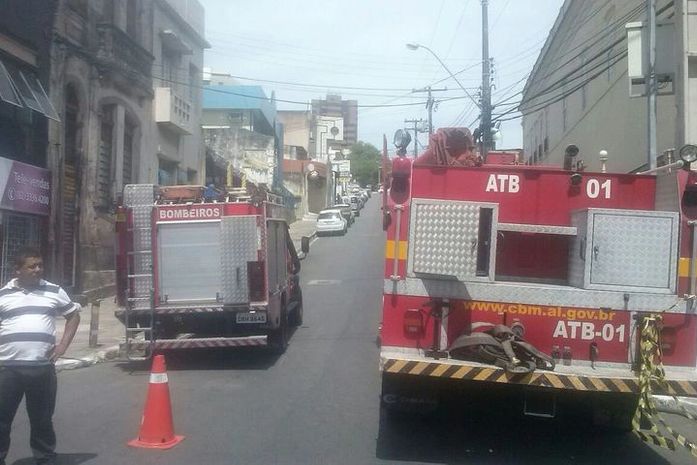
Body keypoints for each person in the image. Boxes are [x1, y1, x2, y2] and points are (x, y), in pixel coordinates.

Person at [0, 247, 81, 465]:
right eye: (32, 266)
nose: (38, 269)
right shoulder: (3, 295)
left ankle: (45, 459)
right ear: (18, 270)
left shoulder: (54, 291)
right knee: (1, 419)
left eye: (40, 265)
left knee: (42, 419)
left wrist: (63, 345)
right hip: (8, 369)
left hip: (41, 368)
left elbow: (73, 315)